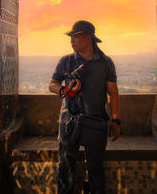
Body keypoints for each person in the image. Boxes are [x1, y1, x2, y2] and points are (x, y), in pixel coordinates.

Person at [49, 20, 121, 194]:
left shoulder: (105, 63)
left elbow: (113, 93)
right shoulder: (66, 61)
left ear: (89, 38)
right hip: (68, 122)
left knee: (95, 169)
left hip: (95, 121)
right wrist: (65, 90)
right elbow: (52, 84)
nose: (71, 41)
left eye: (75, 37)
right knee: (65, 169)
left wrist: (116, 120)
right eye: (71, 38)